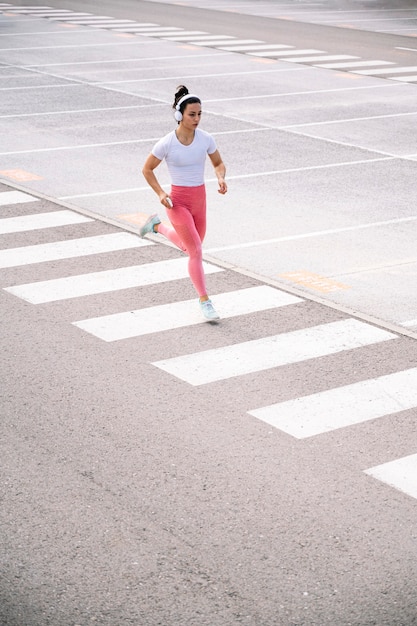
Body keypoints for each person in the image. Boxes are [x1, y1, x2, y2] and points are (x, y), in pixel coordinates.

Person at [141, 85, 227, 321]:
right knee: (196, 251)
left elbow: (218, 163)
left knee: (190, 248)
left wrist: (220, 176)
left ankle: (156, 226)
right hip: (177, 202)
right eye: (192, 114)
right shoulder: (167, 143)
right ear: (180, 115)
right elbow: (147, 169)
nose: (197, 118)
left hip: (200, 200)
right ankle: (205, 300)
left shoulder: (206, 139)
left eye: (199, 114)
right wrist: (160, 193)